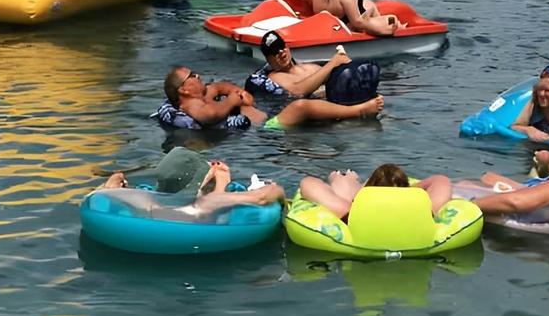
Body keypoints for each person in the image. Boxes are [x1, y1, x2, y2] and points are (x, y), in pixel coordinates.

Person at [162, 66, 382, 132]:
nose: (198, 75)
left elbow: (221, 86)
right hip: (267, 130)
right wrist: (234, 102)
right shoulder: (192, 105)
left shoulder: (205, 93)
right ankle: (361, 110)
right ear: (183, 90)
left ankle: (348, 104)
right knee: (301, 106)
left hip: (269, 117)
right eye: (192, 76)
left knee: (316, 97)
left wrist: (240, 92)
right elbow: (210, 116)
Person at [98, 147, 285, 213]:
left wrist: (117, 177)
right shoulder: (206, 202)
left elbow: (106, 191)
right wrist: (222, 182)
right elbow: (264, 196)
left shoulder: (149, 198)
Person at [248, 30, 381, 108]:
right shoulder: (274, 78)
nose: (281, 53)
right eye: (275, 52)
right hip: (320, 111)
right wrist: (333, 62)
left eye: (282, 47)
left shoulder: (310, 67)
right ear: (268, 59)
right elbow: (297, 92)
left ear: (288, 47)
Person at [298, 164, 452, 220]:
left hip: (357, 210)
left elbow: (307, 183)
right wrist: (412, 191)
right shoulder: (426, 212)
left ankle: (349, 180)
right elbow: (440, 180)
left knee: (341, 184)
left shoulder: (349, 213)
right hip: (410, 207)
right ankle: (351, 182)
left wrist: (356, 195)